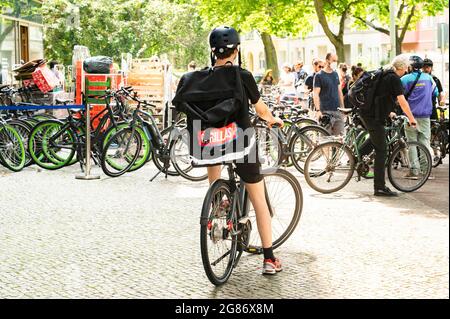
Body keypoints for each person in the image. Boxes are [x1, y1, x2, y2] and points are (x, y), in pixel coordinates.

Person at [173, 26, 284, 275]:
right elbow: (261, 110)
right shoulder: (242, 76)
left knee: (214, 152)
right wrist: (273, 120)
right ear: (236, 50)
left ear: (212, 52)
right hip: (240, 142)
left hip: (206, 145)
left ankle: (219, 199)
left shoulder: (198, 79)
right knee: (258, 200)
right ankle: (269, 259)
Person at [359, 54, 417, 197]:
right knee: (382, 150)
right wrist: (412, 119)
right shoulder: (394, 78)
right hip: (373, 116)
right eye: (406, 68)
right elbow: (402, 101)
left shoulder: (385, 73)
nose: (406, 70)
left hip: (368, 113)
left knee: (379, 136)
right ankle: (379, 187)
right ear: (402, 67)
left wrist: (389, 111)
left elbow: (381, 96)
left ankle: (358, 157)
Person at [401, 55, 438, 179]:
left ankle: (414, 171)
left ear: (410, 66)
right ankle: (426, 171)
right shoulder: (429, 79)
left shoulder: (404, 79)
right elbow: (435, 93)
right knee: (425, 143)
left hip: (410, 116)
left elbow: (399, 96)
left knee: (412, 144)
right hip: (425, 116)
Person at [313, 52, 345, 136]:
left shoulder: (335, 74)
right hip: (325, 111)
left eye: (336, 61)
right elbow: (315, 94)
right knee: (325, 140)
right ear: (327, 60)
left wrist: (343, 108)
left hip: (337, 111)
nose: (335, 62)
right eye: (333, 60)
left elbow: (339, 92)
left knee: (340, 140)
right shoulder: (319, 75)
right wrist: (318, 110)